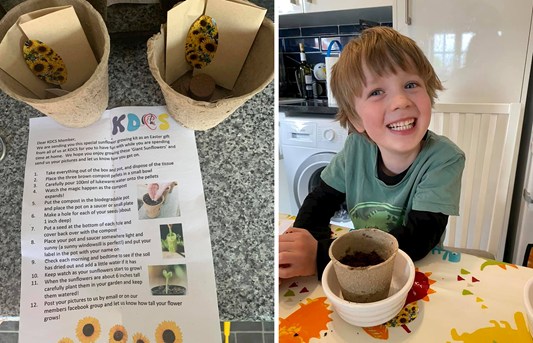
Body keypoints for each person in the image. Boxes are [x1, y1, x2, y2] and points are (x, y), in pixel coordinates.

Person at [279, 26, 465, 280]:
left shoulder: (444, 159)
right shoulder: (355, 149)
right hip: (359, 269)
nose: (401, 101)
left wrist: (322, 257)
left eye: (411, 84)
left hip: (416, 272)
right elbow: (318, 203)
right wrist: (302, 250)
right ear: (356, 119)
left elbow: (419, 238)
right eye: (377, 92)